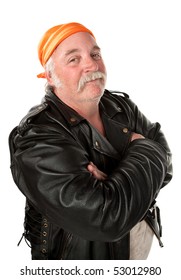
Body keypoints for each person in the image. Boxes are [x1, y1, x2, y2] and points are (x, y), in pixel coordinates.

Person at [9, 22, 172, 260]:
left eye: (95, 54)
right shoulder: (37, 136)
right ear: (50, 76)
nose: (91, 64)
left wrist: (112, 183)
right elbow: (107, 218)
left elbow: (166, 164)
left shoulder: (121, 107)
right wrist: (141, 150)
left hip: (137, 256)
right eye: (74, 59)